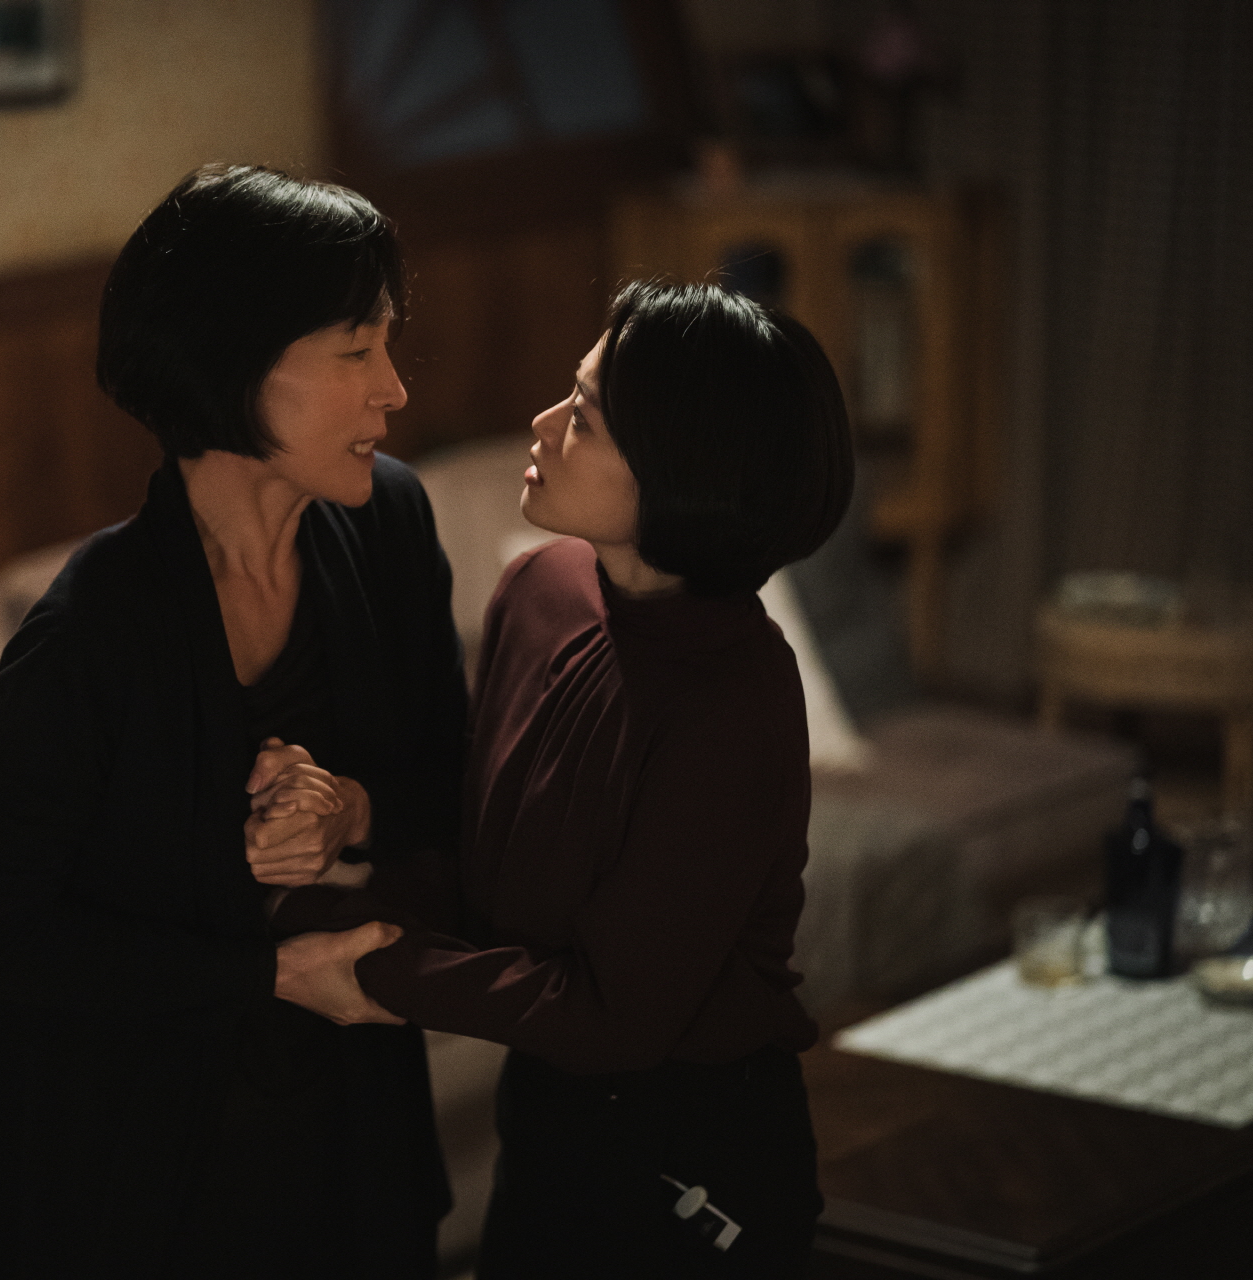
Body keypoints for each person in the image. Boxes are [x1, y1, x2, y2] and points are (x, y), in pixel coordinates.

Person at [0, 164, 466, 1279]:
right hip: (131, 1170)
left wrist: (350, 809)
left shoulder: (389, 523)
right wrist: (266, 973)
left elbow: (458, 783)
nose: (394, 390)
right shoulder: (92, 629)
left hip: (350, 1131)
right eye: (356, 350)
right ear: (234, 361)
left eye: (388, 345)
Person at [274, 281, 854, 1277]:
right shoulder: (539, 589)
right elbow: (481, 863)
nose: (543, 424)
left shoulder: (735, 697)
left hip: (695, 1159)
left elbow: (611, 1013)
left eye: (583, 417)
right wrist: (291, 897)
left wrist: (367, 972)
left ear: (677, 471)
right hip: (549, 1121)